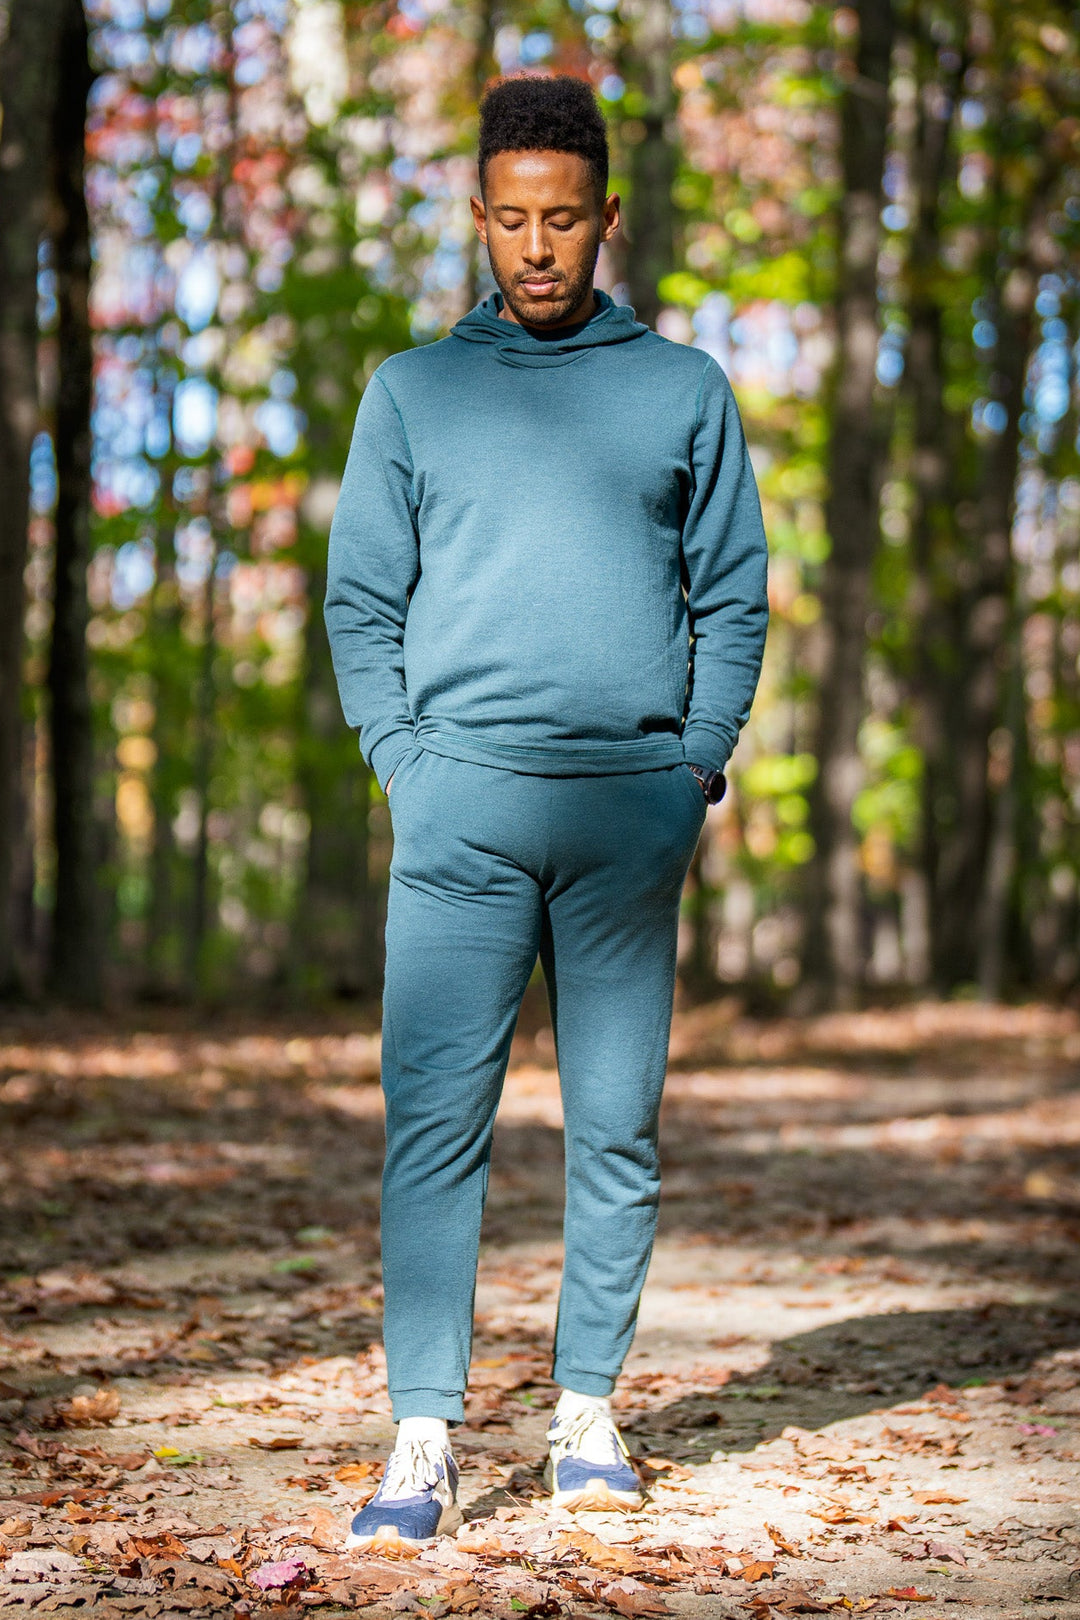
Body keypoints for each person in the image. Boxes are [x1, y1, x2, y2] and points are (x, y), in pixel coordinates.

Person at [324, 71, 769, 1551]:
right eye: (510, 219)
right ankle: (423, 1434)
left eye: (562, 221)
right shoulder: (413, 391)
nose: (535, 247)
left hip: (628, 823)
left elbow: (735, 593)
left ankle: (587, 1409)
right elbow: (361, 602)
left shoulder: (683, 391)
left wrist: (694, 762)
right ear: (477, 217)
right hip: (459, 821)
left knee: (617, 1127)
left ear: (606, 222)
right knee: (431, 1127)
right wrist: (404, 759)